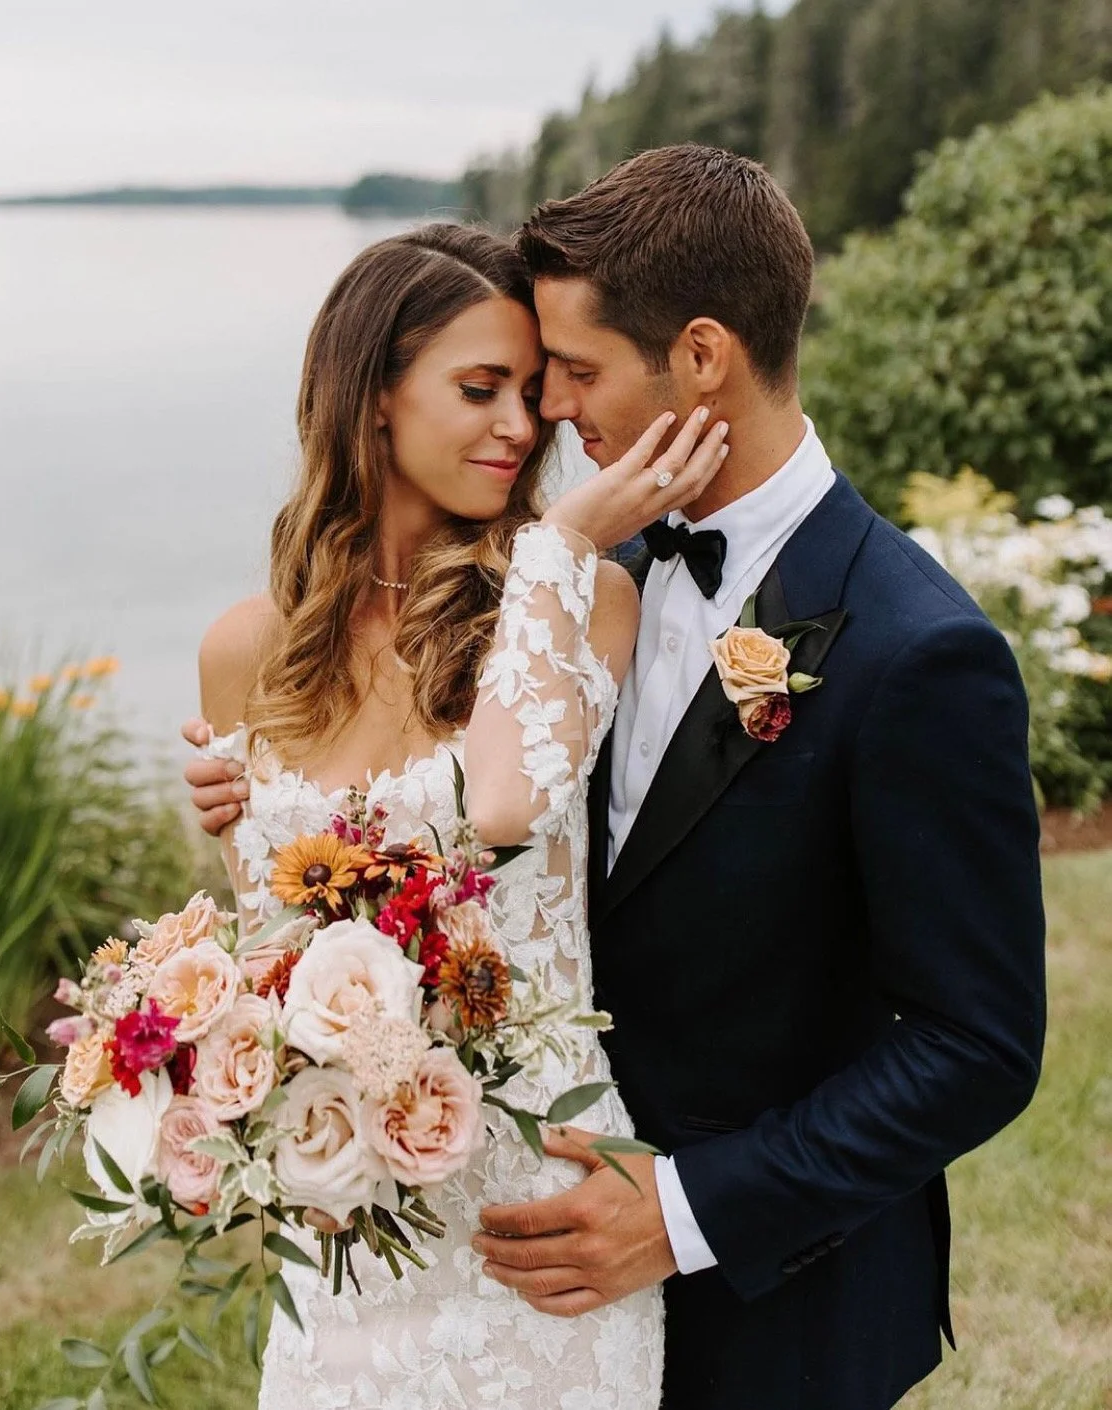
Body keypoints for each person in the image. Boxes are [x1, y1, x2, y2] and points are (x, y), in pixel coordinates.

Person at [186, 147, 1047, 1410]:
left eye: (573, 376)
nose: (549, 423)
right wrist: (268, 807)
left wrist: (688, 1212)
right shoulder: (566, 586)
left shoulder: (921, 651)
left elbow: (978, 1044)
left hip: (771, 1297)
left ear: (701, 358)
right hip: (484, 1229)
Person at [186, 219, 728, 1408]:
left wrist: (564, 542)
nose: (524, 428)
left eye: (533, 395)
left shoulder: (586, 597)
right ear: (369, 397)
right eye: (481, 389)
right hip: (345, 1228)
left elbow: (501, 804)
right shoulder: (246, 656)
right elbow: (274, 959)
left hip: (539, 1214)